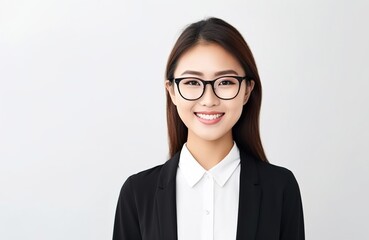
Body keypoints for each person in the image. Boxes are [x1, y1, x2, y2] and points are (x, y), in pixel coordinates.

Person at [113, 17, 305, 240]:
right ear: (172, 91)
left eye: (225, 82)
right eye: (192, 83)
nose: (209, 99)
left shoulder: (280, 188)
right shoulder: (138, 193)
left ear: (247, 90)